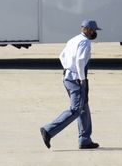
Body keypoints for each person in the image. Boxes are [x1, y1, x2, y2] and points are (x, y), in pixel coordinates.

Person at [40, 19, 101, 149]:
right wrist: (82, 78)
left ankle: (85, 140)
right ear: (89, 31)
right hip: (76, 80)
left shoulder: (73, 40)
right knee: (75, 110)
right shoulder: (85, 42)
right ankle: (49, 130)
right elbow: (80, 61)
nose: (95, 33)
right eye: (94, 30)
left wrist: (68, 68)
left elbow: (61, 55)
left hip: (67, 77)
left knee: (83, 108)